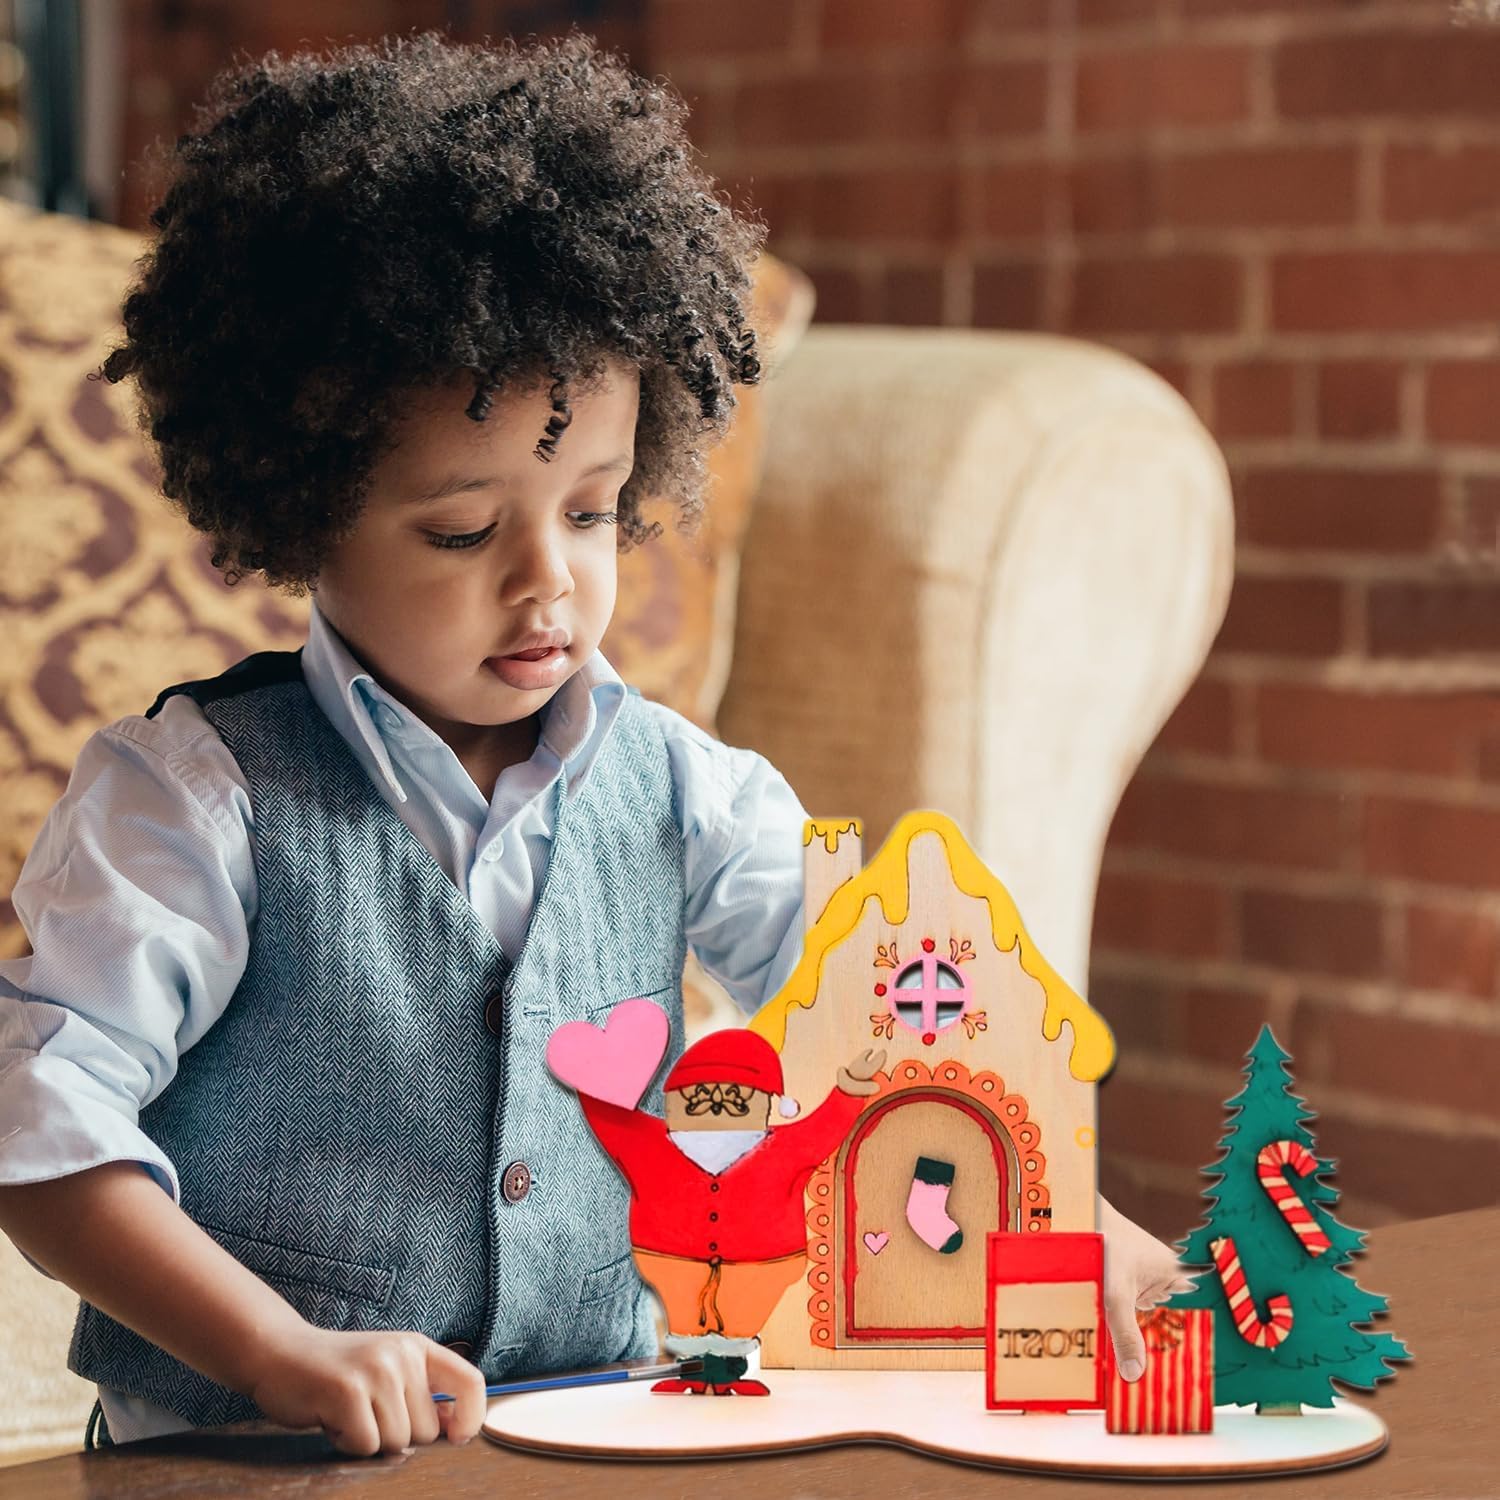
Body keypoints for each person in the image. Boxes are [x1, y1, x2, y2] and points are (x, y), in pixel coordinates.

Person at [0, 30, 1185, 1460]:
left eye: (591, 508)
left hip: (597, 1437)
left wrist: (1077, 1219)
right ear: (301, 503)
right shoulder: (189, 802)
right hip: (241, 1463)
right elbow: (42, 1130)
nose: (547, 582)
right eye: (460, 529)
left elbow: (889, 1018)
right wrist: (276, 1350)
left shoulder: (687, 789)